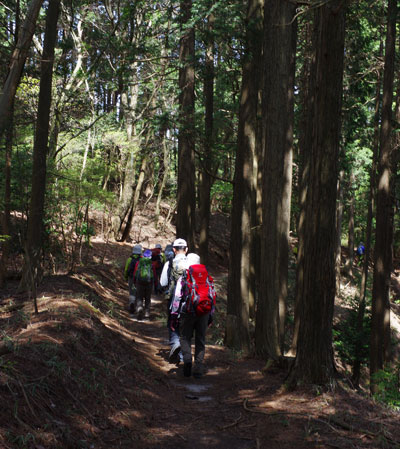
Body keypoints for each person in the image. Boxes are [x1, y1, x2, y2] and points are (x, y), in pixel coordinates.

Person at [173, 253, 216, 378]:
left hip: (188, 312)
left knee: (185, 337)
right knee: (200, 339)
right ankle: (198, 367)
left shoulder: (185, 277)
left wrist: (175, 314)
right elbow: (212, 295)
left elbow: (177, 297)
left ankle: (187, 360)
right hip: (204, 312)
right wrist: (210, 315)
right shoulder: (207, 277)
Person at [160, 238, 188, 362]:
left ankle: (175, 343)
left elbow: (162, 283)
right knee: (186, 325)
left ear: (174, 250)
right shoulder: (192, 264)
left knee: (172, 323)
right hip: (189, 300)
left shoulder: (169, 263)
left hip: (173, 300)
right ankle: (183, 355)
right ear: (186, 250)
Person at [134, 249, 158, 320]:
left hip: (139, 283)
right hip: (149, 283)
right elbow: (154, 275)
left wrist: (135, 282)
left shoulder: (139, 263)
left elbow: (135, 273)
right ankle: (147, 312)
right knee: (147, 298)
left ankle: (139, 308)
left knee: (139, 297)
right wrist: (155, 284)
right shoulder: (151, 264)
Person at [124, 244, 142, 316]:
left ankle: (131, 304)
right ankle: (138, 308)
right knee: (138, 293)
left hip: (131, 278)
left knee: (132, 292)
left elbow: (126, 269)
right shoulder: (142, 259)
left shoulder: (130, 259)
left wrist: (126, 277)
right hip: (139, 279)